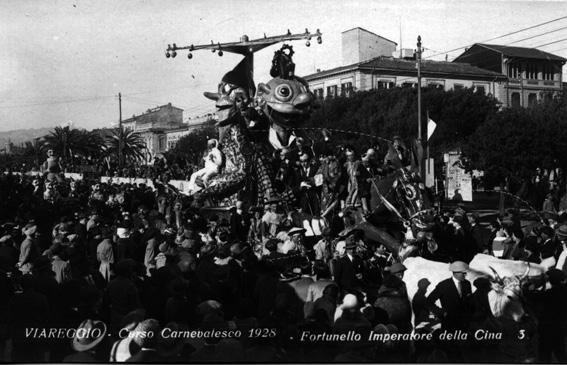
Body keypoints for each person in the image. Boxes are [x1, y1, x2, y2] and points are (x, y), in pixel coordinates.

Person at [426, 261, 472, 331]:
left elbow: (469, 301)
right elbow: (429, 301)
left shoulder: (467, 284)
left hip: (465, 324)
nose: (466, 275)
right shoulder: (443, 285)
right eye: (464, 273)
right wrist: (442, 312)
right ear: (456, 273)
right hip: (449, 324)